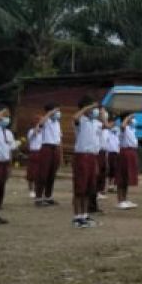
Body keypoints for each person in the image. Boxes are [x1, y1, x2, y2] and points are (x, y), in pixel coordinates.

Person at [71, 97, 104, 228]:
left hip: (92, 157)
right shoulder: (81, 121)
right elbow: (75, 117)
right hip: (81, 156)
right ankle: (77, 217)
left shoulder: (95, 123)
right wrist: (87, 107)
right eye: (92, 108)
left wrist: (95, 163)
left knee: (89, 189)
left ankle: (85, 215)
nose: (94, 110)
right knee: (80, 188)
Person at [34, 103, 63, 206]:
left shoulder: (57, 123)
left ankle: (48, 196)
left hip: (55, 148)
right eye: (56, 111)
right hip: (46, 148)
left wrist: (60, 153)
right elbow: (40, 125)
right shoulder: (46, 121)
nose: (58, 113)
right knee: (43, 174)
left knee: (52, 174)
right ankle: (38, 198)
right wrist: (50, 113)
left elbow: (59, 139)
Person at [116, 113, 139, 209]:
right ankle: (120, 200)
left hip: (132, 152)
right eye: (131, 118)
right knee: (122, 177)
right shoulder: (123, 128)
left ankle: (125, 199)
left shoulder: (131, 128)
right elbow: (122, 126)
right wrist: (127, 118)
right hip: (125, 152)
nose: (133, 120)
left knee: (127, 178)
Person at [25, 119, 43, 199]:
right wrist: (37, 126)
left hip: (41, 153)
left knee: (39, 173)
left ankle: (37, 190)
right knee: (31, 173)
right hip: (33, 153)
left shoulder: (44, 131)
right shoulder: (31, 131)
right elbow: (34, 133)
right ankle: (31, 190)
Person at [102, 120, 120, 194]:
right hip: (108, 152)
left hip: (115, 151)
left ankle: (111, 186)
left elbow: (118, 140)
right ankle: (104, 188)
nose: (113, 123)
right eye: (112, 121)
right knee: (107, 170)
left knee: (114, 169)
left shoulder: (117, 129)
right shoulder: (106, 130)